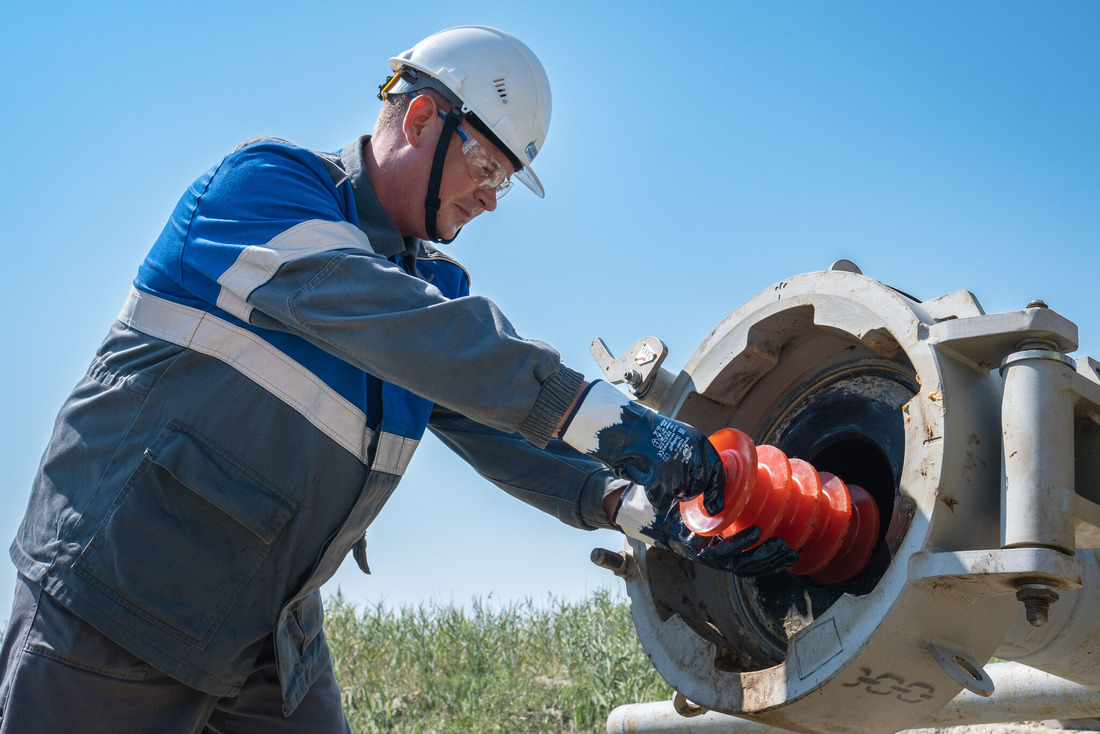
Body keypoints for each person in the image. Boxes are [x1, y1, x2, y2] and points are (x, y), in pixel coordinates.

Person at [0, 26, 795, 733]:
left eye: (507, 179)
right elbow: (413, 332)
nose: (491, 195)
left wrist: (631, 502)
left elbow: (494, 422)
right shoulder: (264, 193)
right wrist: (621, 425)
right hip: (118, 602)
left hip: (266, 634)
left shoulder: (433, 292)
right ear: (420, 119)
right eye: (487, 162)